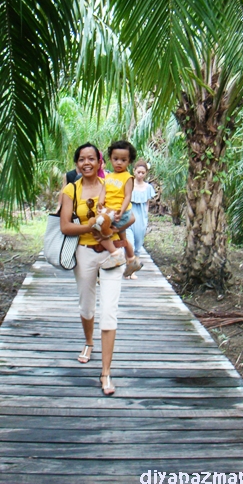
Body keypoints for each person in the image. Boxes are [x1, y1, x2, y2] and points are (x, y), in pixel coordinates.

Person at [60, 142, 131, 396]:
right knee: (86, 306)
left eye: (92, 158)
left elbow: (126, 218)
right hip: (84, 253)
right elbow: (66, 227)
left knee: (109, 312)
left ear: (101, 162)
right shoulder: (71, 189)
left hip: (110, 254)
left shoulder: (111, 184)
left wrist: (118, 236)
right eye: (81, 159)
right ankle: (89, 342)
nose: (86, 163)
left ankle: (106, 373)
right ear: (77, 164)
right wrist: (92, 226)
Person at [96, 140, 143, 278]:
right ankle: (131, 259)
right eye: (115, 159)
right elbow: (104, 191)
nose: (119, 163)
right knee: (122, 236)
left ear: (129, 161)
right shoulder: (108, 176)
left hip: (119, 212)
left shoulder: (128, 177)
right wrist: (100, 203)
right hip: (109, 210)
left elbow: (128, 196)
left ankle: (115, 256)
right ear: (110, 159)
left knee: (99, 229)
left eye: (123, 160)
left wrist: (121, 211)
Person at [125, 159, 156, 279]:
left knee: (138, 245)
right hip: (129, 218)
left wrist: (146, 218)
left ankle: (132, 271)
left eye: (143, 173)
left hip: (141, 219)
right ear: (134, 171)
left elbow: (147, 204)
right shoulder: (129, 184)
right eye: (138, 172)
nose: (140, 175)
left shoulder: (147, 187)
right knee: (129, 244)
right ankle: (128, 266)